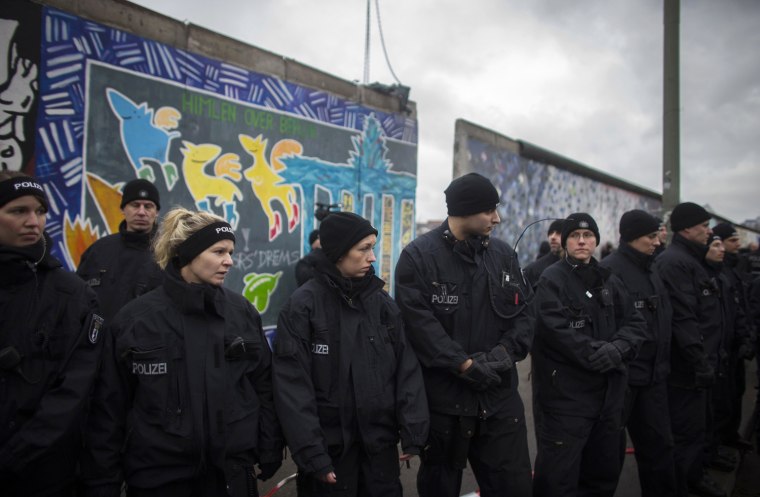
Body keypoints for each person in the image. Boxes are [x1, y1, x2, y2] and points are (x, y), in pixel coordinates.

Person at [82, 208, 283, 497]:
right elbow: (109, 406)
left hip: (231, 473)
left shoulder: (241, 312)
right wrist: (103, 479)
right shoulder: (137, 320)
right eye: (218, 251)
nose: (229, 261)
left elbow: (264, 384)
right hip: (159, 476)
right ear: (186, 254)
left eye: (230, 252)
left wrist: (269, 445)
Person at [395, 173, 534, 497]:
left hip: (499, 403)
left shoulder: (503, 256)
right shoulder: (418, 257)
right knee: (439, 487)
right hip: (445, 406)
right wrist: (464, 365)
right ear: (464, 210)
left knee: (514, 488)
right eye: (489, 211)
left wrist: (502, 355)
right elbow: (419, 326)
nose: (497, 219)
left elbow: (525, 316)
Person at [273, 211, 429, 497]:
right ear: (338, 252)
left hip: (379, 452)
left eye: (373, 247)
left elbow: (406, 368)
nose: (372, 257)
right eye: (364, 248)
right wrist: (313, 455)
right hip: (329, 458)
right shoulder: (302, 307)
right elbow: (293, 389)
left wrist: (413, 431)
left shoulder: (382, 304)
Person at [0, 172, 103, 496]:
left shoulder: (71, 295)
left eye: (40, 211)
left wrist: (17, 454)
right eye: (19, 211)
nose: (33, 221)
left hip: (41, 471)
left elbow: (75, 388)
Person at [531, 212, 646, 497]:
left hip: (609, 399)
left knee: (603, 472)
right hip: (566, 400)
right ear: (566, 242)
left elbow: (635, 322)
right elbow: (553, 330)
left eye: (588, 236)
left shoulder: (609, 278)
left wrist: (618, 348)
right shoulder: (551, 280)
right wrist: (597, 352)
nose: (582, 241)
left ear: (596, 240)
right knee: (558, 477)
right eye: (575, 236)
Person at [600, 210, 676, 496]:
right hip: (624, 379)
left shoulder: (651, 268)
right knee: (607, 456)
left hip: (653, 378)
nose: (657, 242)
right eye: (651, 236)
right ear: (633, 237)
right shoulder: (610, 271)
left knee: (659, 449)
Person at [655, 202, 724, 497]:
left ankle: (693, 476)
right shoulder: (675, 262)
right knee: (684, 433)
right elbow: (684, 318)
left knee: (697, 429)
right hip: (685, 370)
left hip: (699, 364)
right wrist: (699, 361)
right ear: (686, 229)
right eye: (704, 226)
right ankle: (681, 485)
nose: (709, 231)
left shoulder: (691, 259)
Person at [77, 178, 164, 321]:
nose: (141, 212)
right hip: (100, 340)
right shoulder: (98, 251)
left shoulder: (167, 254)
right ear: (123, 209)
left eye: (148, 206)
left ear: (156, 212)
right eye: (135, 205)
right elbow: (78, 298)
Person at [711, 222, 755, 451]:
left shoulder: (733, 270)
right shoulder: (719, 272)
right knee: (721, 400)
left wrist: (745, 337)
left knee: (735, 393)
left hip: (732, 346)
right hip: (722, 349)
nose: (738, 244)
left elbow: (740, 308)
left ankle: (730, 437)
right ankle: (718, 444)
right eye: (732, 241)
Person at [523, 219, 564, 290]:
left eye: (558, 233)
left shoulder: (576, 267)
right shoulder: (533, 270)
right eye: (550, 233)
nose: (553, 237)